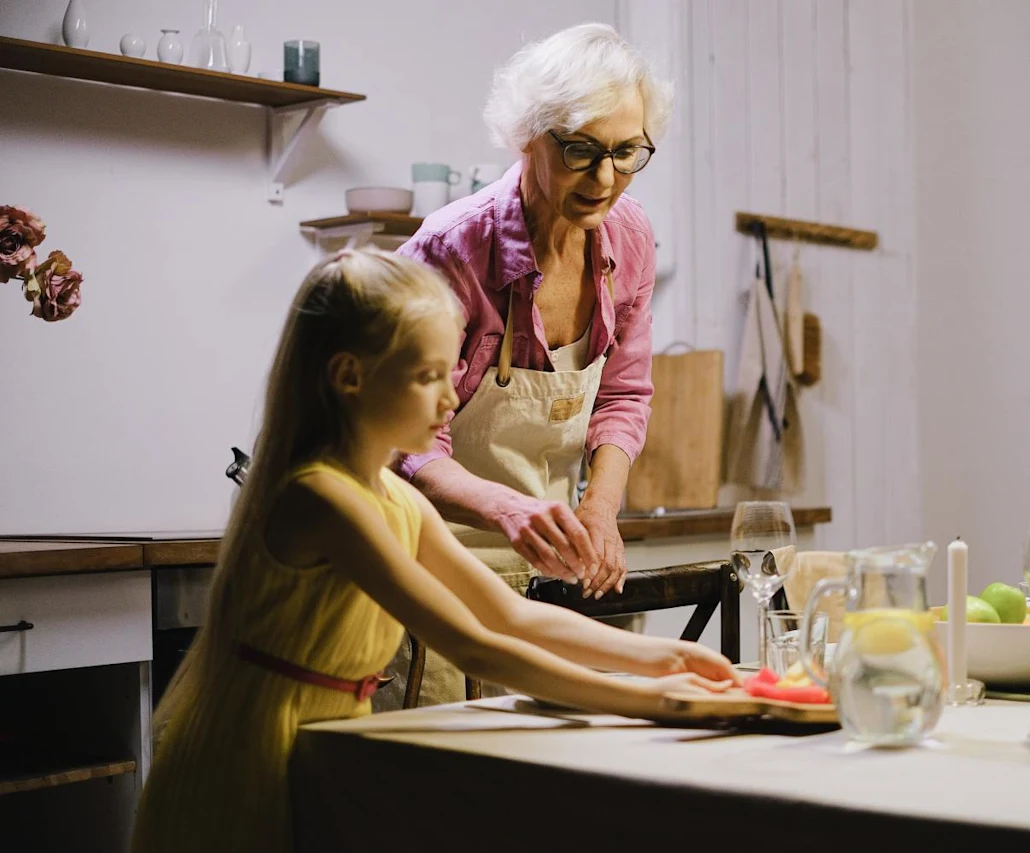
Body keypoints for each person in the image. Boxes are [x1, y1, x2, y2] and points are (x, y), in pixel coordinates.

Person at [130, 250, 737, 853]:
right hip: (253, 757)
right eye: (428, 377)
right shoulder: (322, 497)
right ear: (349, 376)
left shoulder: (395, 495)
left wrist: (667, 658)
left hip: (328, 748)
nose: (451, 399)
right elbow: (474, 645)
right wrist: (654, 701)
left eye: (452, 373)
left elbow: (511, 615)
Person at [391, 22, 670, 706]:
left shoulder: (630, 238)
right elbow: (406, 440)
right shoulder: (453, 251)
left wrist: (599, 509)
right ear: (529, 137)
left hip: (542, 577)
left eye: (626, 152)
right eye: (580, 150)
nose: (604, 179)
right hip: (428, 567)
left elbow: (624, 395)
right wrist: (511, 509)